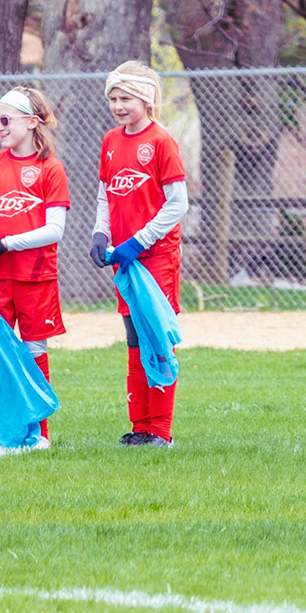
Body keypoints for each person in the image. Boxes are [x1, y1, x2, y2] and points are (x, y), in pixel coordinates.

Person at [0, 87, 70, 451]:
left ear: (32, 122)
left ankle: (40, 434)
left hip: (36, 277)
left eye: (6, 120)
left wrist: (6, 243)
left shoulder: (50, 168)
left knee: (35, 350)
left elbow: (55, 229)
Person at [90, 60, 188, 447]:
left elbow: (177, 203)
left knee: (155, 337)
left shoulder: (162, 141)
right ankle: (140, 427)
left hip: (154, 257)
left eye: (125, 97)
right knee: (132, 336)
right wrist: (101, 233)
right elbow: (105, 193)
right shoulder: (111, 141)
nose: (118, 105)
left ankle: (161, 432)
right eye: (113, 98)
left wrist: (138, 241)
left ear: (145, 100)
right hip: (124, 259)